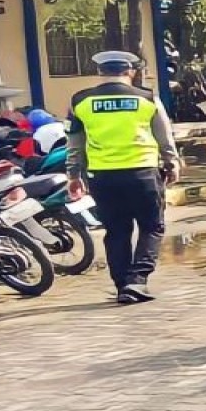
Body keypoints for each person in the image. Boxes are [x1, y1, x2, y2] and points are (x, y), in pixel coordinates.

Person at [66, 51, 180, 304]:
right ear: (130, 71)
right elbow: (164, 136)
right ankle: (136, 281)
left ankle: (122, 285)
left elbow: (74, 143)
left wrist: (73, 175)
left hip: (102, 177)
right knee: (151, 227)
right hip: (143, 173)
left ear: (100, 72)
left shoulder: (80, 101)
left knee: (116, 231)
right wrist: (172, 163)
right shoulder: (147, 98)